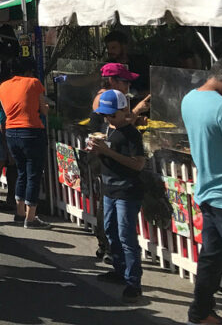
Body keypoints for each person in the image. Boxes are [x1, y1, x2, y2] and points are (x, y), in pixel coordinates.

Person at [181, 56, 222, 325]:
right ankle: (200, 313)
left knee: (212, 259)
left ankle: (200, 313)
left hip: (208, 192)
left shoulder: (189, 99)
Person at [89, 89, 145, 303]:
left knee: (126, 235)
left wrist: (107, 152)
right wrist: (97, 150)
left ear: (124, 111)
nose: (108, 118)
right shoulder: (106, 128)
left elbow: (138, 164)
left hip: (127, 191)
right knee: (110, 230)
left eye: (112, 115)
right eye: (105, 114)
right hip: (109, 188)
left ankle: (133, 282)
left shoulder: (131, 134)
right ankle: (120, 270)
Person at [0, 57, 50, 228]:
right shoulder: (34, 83)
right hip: (31, 131)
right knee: (34, 174)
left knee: (21, 172)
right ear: (29, 70)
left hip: (11, 132)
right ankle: (31, 217)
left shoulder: (3, 86)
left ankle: (20, 213)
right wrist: (47, 108)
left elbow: (7, 111)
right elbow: (43, 109)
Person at [104, 30, 150, 96]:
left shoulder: (140, 62)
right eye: (108, 48)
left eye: (113, 48)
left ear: (124, 46)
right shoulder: (108, 66)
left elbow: (151, 84)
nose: (110, 51)